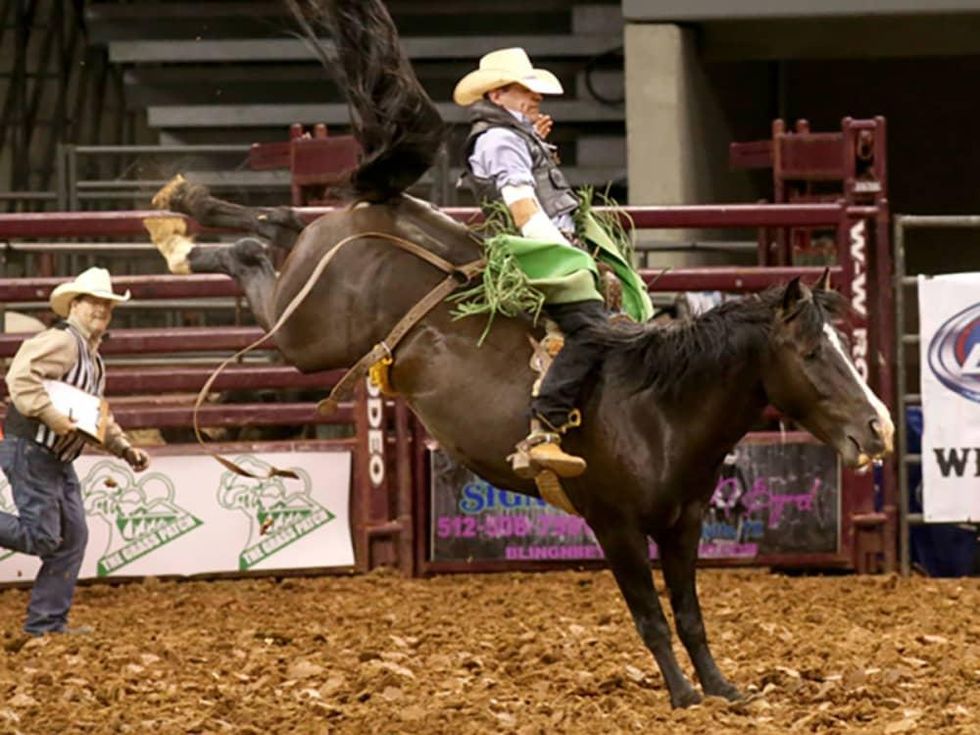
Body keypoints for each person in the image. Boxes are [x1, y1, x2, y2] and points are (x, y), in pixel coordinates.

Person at [453, 47, 653, 479]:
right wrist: (567, 257)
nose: (536, 97)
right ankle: (545, 426)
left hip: (550, 242)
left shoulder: (512, 135)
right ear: (498, 93)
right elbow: (522, 205)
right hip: (535, 250)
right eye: (525, 89)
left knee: (626, 312)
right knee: (593, 327)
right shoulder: (501, 140)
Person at [0, 267, 150, 636]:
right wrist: (51, 416)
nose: (100, 310)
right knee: (45, 537)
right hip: (33, 448)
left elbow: (94, 413)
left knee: (72, 538)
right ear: (75, 305)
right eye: (93, 303)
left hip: (55, 456)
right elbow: (20, 376)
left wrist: (123, 447)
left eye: (106, 305)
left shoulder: (92, 358)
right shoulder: (64, 342)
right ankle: (45, 622)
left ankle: (46, 624)